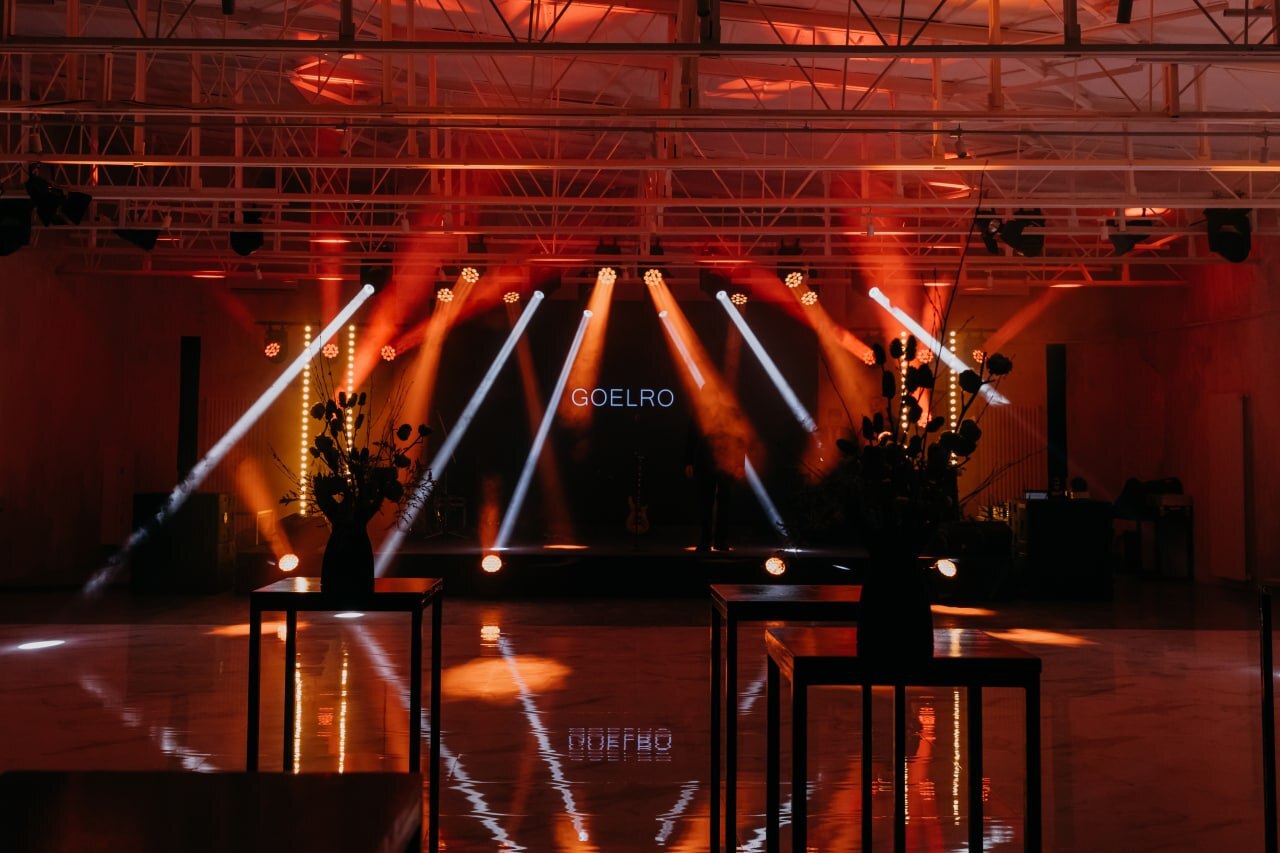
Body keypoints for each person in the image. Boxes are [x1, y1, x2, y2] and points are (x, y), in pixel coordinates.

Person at [685, 406, 734, 553]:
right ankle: (708, 541)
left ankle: (717, 541)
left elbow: (739, 438)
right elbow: (691, 436)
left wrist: (739, 464)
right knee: (707, 502)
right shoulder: (700, 411)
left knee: (720, 503)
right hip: (706, 462)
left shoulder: (729, 411)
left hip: (725, 462)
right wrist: (689, 462)